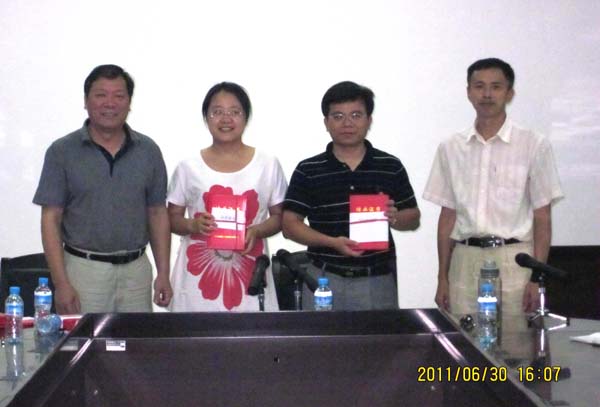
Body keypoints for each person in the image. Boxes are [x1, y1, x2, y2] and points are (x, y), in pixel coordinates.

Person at [423, 58, 564, 317]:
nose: (487, 94)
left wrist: (537, 279)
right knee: (463, 340)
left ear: (509, 93)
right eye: (479, 86)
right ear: (468, 92)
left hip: (515, 261)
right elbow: (447, 216)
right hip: (464, 260)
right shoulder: (451, 147)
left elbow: (542, 217)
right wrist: (442, 277)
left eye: (496, 87)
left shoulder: (533, 144)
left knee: (516, 341)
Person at [33, 64, 172, 314]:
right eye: (100, 95)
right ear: (86, 101)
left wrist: (163, 273)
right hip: (83, 272)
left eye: (119, 96)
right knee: (82, 339)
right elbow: (50, 219)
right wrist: (61, 283)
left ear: (129, 103)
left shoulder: (148, 151)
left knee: (138, 338)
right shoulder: (62, 151)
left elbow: (157, 213)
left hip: (136, 273)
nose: (110, 103)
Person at [282, 81, 420, 310]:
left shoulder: (389, 165)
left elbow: (413, 217)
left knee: (380, 335)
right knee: (319, 336)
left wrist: (395, 217)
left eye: (356, 115)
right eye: (338, 116)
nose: (347, 123)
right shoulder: (309, 169)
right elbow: (289, 225)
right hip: (323, 280)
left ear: (369, 120)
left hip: (377, 280)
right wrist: (332, 243)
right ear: (326, 123)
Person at [167, 82, 287, 312]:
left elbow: (280, 217)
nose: (226, 119)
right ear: (206, 117)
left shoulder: (267, 164)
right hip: (197, 275)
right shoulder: (187, 167)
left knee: (254, 333)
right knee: (195, 333)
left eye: (234, 112)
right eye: (217, 112)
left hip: (252, 272)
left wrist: (257, 230)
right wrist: (193, 225)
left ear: (246, 117)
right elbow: (171, 218)